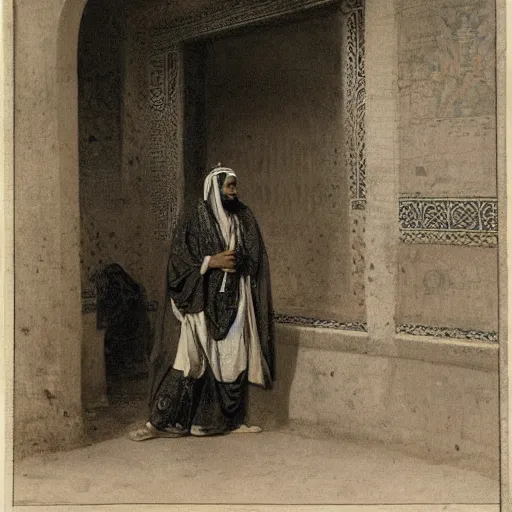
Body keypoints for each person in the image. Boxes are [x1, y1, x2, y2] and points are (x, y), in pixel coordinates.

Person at [129, 165, 275, 440]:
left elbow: (254, 258)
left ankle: (226, 422)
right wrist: (211, 261)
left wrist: (238, 261)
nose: (235, 192)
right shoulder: (195, 220)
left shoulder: (242, 218)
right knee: (189, 360)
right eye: (230, 186)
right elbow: (179, 263)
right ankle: (156, 424)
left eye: (235, 186)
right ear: (215, 189)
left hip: (235, 299)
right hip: (200, 300)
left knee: (234, 360)